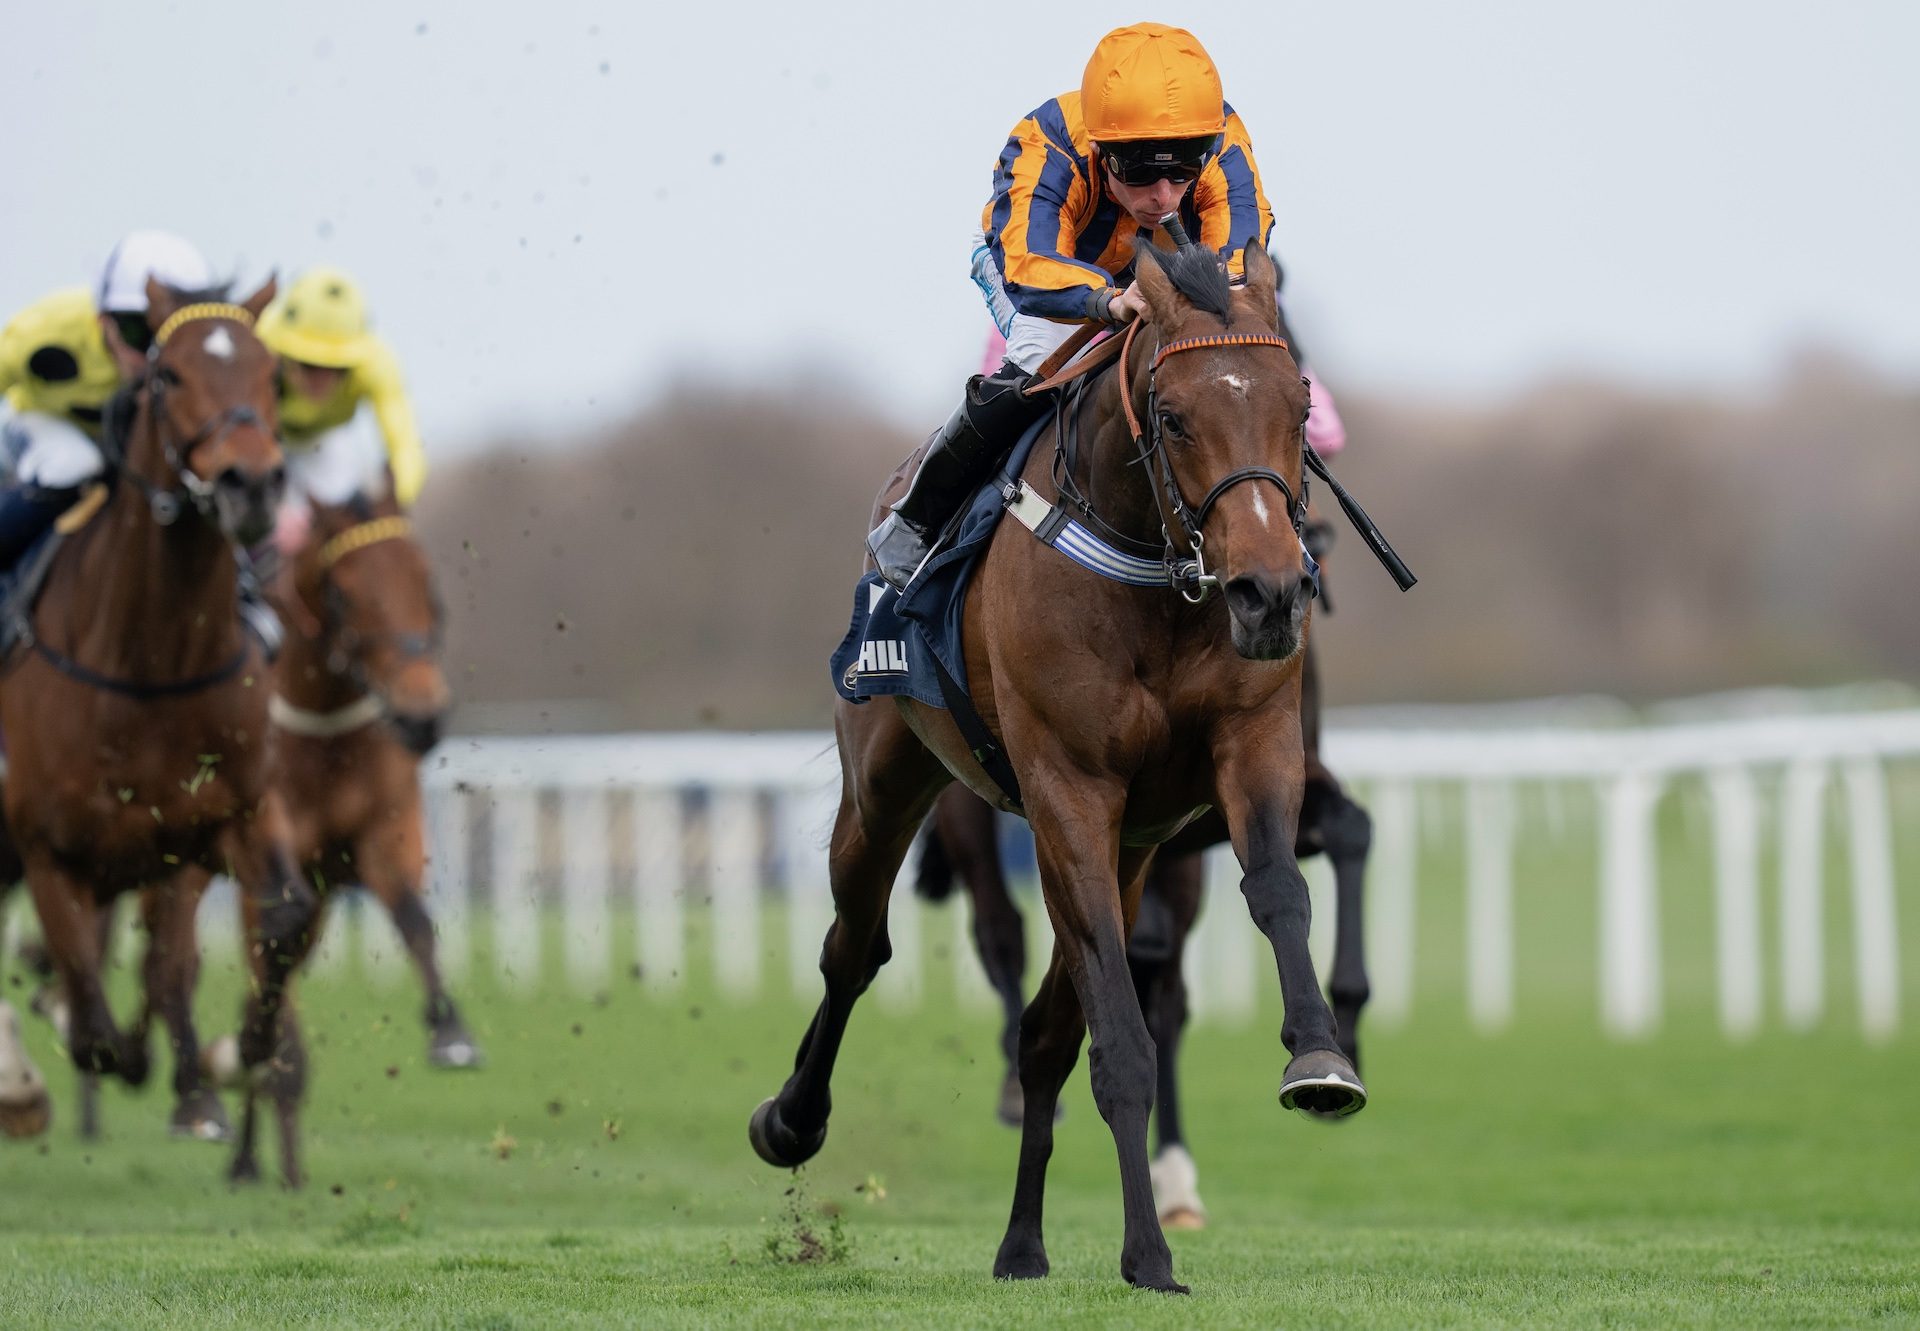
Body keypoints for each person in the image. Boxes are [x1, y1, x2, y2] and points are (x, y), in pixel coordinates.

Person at [868, 22, 1278, 588]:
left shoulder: (1223, 136)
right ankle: (917, 520)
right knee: (1043, 361)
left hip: (1153, 266)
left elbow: (1238, 252)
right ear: (1100, 152)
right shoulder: (1045, 143)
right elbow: (1030, 264)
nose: (1163, 195)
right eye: (1140, 170)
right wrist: (1109, 302)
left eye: (1184, 166)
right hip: (1031, 266)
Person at [0, 230, 215, 569]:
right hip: (45, 423)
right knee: (73, 463)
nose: (153, 355)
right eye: (138, 332)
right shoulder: (44, 330)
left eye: (170, 334)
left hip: (127, 439)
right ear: (104, 321)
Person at [256, 267, 425, 553]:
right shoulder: (261, 342)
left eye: (337, 368)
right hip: (265, 441)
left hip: (325, 441)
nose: (320, 379)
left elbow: (406, 447)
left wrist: (391, 500)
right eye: (308, 364)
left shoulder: (378, 363)